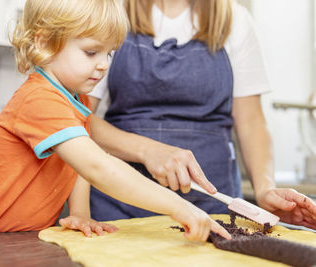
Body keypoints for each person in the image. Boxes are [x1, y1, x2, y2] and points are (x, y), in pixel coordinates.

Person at [0, 0, 231, 242]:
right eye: (91, 52)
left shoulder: (75, 101)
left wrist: (79, 213)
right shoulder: (40, 100)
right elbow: (97, 167)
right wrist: (179, 207)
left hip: (23, 240)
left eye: (109, 53)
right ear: (44, 41)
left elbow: (78, 164)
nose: (104, 64)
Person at [86, 0, 316, 229]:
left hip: (213, 209)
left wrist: (265, 188)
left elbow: (251, 123)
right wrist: (147, 151)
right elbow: (77, 117)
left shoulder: (235, 20)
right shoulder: (111, 12)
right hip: (117, 204)